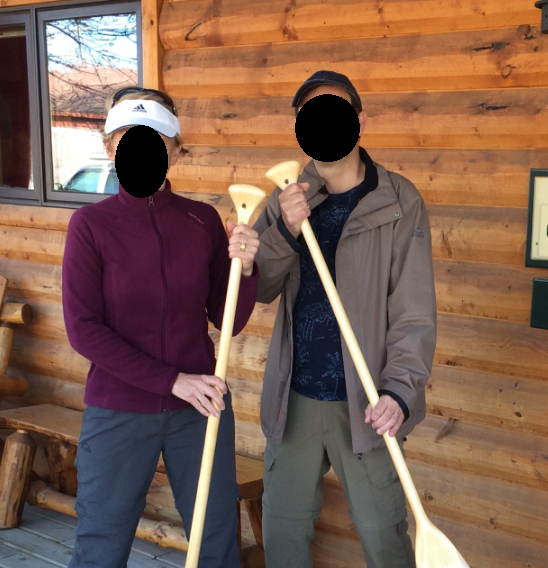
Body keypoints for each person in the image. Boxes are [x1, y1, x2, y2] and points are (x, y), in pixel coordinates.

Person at [62, 86, 260, 568]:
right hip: (119, 409)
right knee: (101, 547)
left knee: (215, 543)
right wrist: (173, 381)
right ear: (110, 149)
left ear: (174, 151)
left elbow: (227, 320)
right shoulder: (90, 226)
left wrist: (247, 269)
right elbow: (84, 329)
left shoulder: (201, 220)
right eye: (127, 141)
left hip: (200, 409)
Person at [253, 71, 437, 568]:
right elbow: (259, 288)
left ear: (360, 121)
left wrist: (399, 392)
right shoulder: (286, 198)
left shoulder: (398, 201)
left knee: (384, 541)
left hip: (369, 403)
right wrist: (284, 231)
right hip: (295, 398)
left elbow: (414, 312)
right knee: (283, 536)